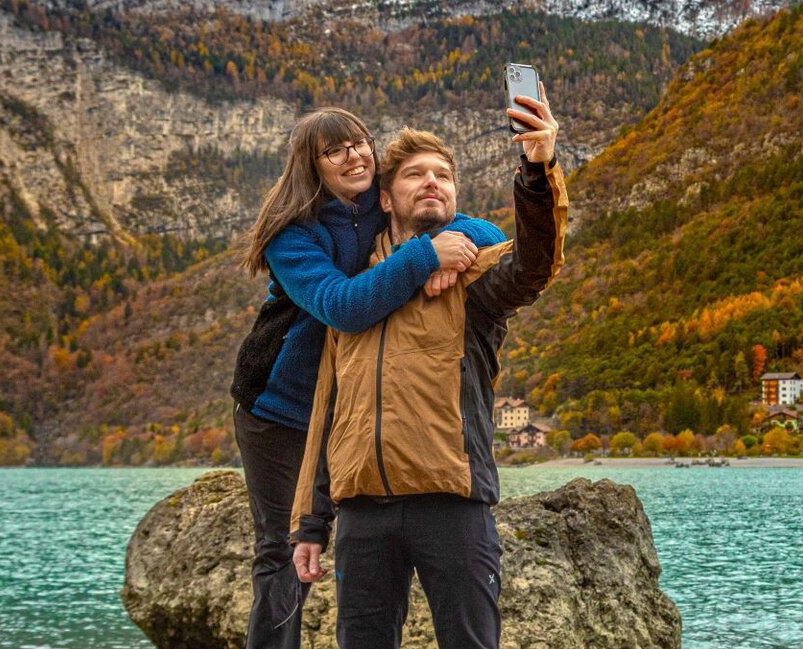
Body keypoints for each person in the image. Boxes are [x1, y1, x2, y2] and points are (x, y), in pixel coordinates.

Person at [289, 90, 566, 649]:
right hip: (362, 513)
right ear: (385, 200)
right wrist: (310, 524)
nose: (433, 181)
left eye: (443, 174)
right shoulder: (352, 292)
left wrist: (539, 170)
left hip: (453, 505)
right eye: (416, 175)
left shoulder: (475, 280)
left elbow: (536, 262)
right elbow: (329, 411)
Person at [232, 107, 506, 649]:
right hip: (280, 410)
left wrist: (445, 255)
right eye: (334, 151)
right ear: (312, 167)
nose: (353, 155)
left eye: (359, 143)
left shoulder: (380, 214)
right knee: (283, 555)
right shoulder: (293, 236)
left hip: (351, 408)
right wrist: (426, 256)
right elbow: (342, 307)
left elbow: (475, 227)